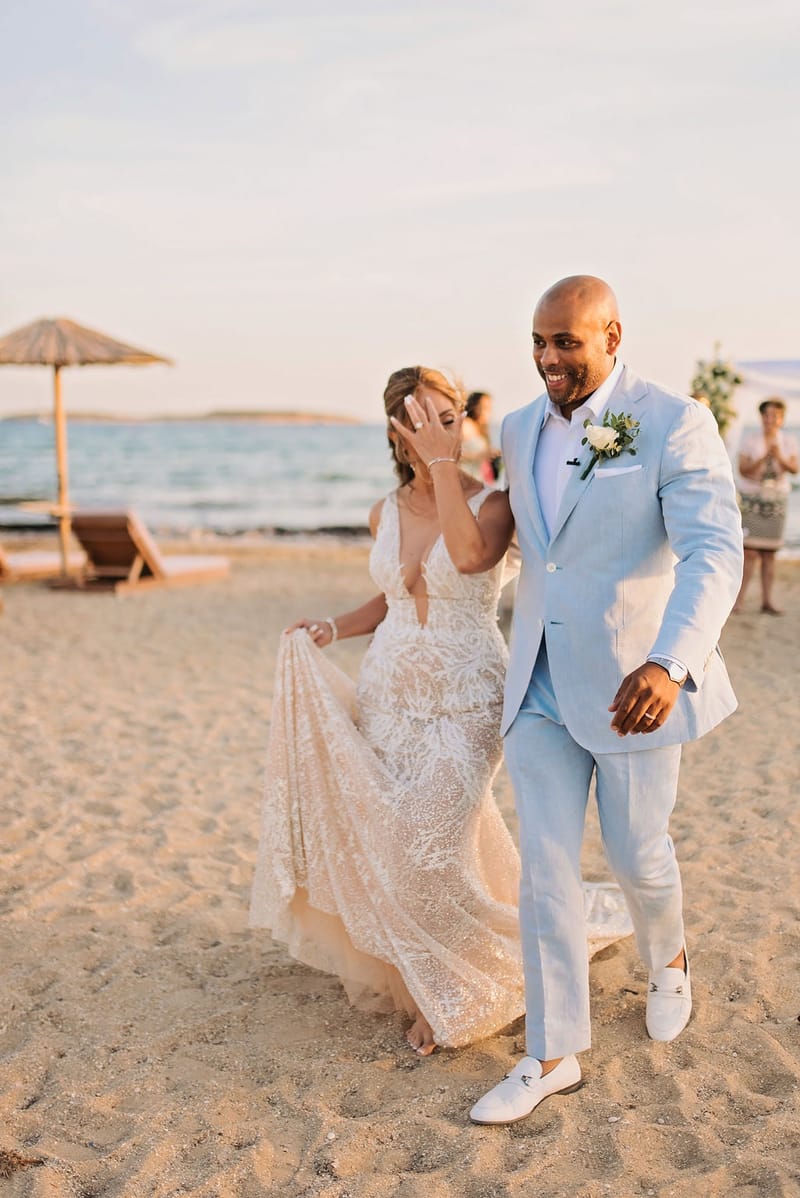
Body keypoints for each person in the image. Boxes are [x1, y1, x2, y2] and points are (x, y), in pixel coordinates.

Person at [249, 365, 631, 1056]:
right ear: (397, 432)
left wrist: (444, 466)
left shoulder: (495, 504)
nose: (434, 430)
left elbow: (470, 558)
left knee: (430, 847)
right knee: (395, 844)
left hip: (467, 702)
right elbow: (395, 596)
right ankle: (424, 969)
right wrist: (331, 627)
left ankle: (457, 986)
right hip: (387, 699)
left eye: (445, 417)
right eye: (419, 421)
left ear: (461, 423)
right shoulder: (384, 511)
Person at [470, 276, 743, 1126]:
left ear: (612, 336)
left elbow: (714, 552)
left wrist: (671, 664)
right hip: (538, 683)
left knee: (638, 858)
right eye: (539, 342)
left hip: (636, 690)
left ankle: (670, 959)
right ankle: (552, 1056)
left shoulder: (673, 421)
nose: (549, 358)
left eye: (566, 342)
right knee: (545, 871)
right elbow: (528, 550)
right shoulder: (518, 428)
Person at [734, 397, 798, 615]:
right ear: (761, 417)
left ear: (781, 419)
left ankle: (767, 601)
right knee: (749, 552)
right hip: (753, 499)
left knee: (770, 554)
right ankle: (738, 600)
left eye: (775, 416)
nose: (770, 419)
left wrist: (778, 456)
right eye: (766, 415)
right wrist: (763, 458)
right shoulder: (750, 439)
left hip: (776, 501)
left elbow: (794, 469)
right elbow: (743, 470)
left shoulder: (788, 441)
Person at [460, 390, 500, 483]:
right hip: (465, 479)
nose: (488, 412)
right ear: (474, 407)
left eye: (489, 408)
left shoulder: (481, 428)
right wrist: (478, 455)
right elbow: (451, 453)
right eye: (485, 407)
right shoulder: (466, 425)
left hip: (477, 479)